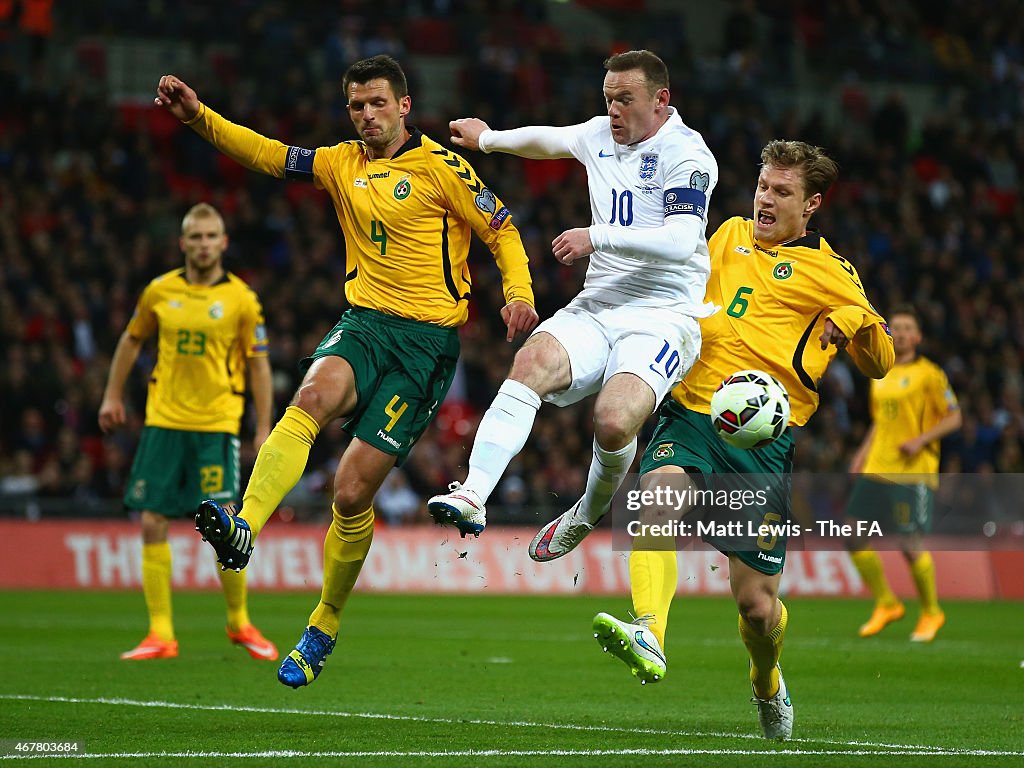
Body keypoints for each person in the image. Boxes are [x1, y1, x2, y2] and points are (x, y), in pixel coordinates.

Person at [154, 55, 538, 687]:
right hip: (363, 323)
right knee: (307, 398)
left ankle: (324, 622)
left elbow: (502, 229)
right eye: (357, 106)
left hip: (425, 346)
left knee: (352, 491)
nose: (366, 116)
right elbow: (267, 155)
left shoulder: (444, 169)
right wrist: (200, 119)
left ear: (404, 106)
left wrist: (518, 292)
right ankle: (244, 525)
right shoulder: (339, 162)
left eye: (377, 104)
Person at [585, 140, 895, 740]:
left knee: (756, 607)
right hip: (695, 411)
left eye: (782, 192)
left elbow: (879, 362)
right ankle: (649, 629)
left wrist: (852, 318)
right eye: (762, 186)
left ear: (813, 205)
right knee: (658, 499)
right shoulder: (727, 234)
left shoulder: (832, 272)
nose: (765, 200)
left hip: (762, 447)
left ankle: (766, 680)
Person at [428, 50, 718, 558]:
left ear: (661, 100)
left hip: (664, 315)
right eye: (608, 100)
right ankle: (473, 493)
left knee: (613, 420)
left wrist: (596, 237)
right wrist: (488, 140)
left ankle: (586, 512)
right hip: (601, 302)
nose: (613, 112)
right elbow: (551, 139)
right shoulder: (601, 135)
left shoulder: (688, 155)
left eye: (625, 100)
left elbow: (679, 239)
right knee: (531, 362)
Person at [99, 202, 277, 663]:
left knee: (226, 527)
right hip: (164, 422)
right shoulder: (159, 292)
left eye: (210, 236)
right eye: (194, 237)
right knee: (152, 520)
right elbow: (132, 339)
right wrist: (112, 396)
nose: (202, 244)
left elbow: (258, 365)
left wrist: (263, 426)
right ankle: (161, 633)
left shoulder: (242, 298)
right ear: (182, 243)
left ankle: (239, 622)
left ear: (224, 242)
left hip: (216, 424)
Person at [845, 306, 961, 642]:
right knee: (852, 534)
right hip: (877, 466)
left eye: (908, 327)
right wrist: (861, 454)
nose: (901, 332)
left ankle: (931, 612)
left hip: (912, 470)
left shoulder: (930, 374)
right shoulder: (881, 372)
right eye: (895, 327)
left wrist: (921, 440)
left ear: (918, 336)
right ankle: (886, 602)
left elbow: (955, 417)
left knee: (909, 543)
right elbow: (880, 421)